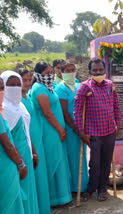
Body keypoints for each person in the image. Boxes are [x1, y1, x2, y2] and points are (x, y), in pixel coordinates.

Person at [74, 58, 121, 202]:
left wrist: (117, 124)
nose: (98, 72)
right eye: (95, 70)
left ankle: (102, 189)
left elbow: (116, 106)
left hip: (109, 131)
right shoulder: (84, 87)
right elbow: (77, 111)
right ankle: (90, 189)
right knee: (94, 164)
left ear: (104, 70)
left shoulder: (110, 85)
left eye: (101, 70)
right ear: (90, 72)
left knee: (106, 162)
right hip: (93, 133)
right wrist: (81, 132)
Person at [30, 62, 72, 206]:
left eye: (51, 73)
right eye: (46, 74)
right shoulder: (39, 88)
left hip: (54, 130)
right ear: (38, 74)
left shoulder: (48, 87)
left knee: (60, 159)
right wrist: (60, 129)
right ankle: (54, 197)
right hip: (49, 131)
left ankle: (62, 195)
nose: (50, 76)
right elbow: (47, 113)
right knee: (54, 160)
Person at [1, 71, 39, 214]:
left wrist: (34, 152)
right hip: (15, 157)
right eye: (11, 86)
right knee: (20, 192)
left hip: (26, 152)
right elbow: (7, 140)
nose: (16, 88)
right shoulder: (4, 108)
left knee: (29, 189)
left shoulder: (20, 106)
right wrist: (19, 161)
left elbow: (26, 131)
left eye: (18, 85)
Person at [18, 68, 51, 213]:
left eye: (28, 79)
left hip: (37, 138)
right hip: (29, 142)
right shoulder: (16, 100)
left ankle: (42, 207)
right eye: (23, 80)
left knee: (40, 174)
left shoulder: (27, 96)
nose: (27, 83)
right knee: (34, 175)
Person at [55, 62, 89, 194]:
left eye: (72, 69)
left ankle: (84, 184)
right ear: (62, 73)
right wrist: (76, 129)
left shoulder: (79, 86)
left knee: (82, 156)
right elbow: (64, 112)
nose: (70, 72)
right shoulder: (60, 89)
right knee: (72, 157)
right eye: (67, 70)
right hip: (71, 128)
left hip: (82, 126)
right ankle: (74, 187)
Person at [0, 76, 26, 214]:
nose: (1, 92)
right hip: (5, 166)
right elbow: (7, 144)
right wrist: (21, 163)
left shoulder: (1, 112)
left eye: (2, 88)